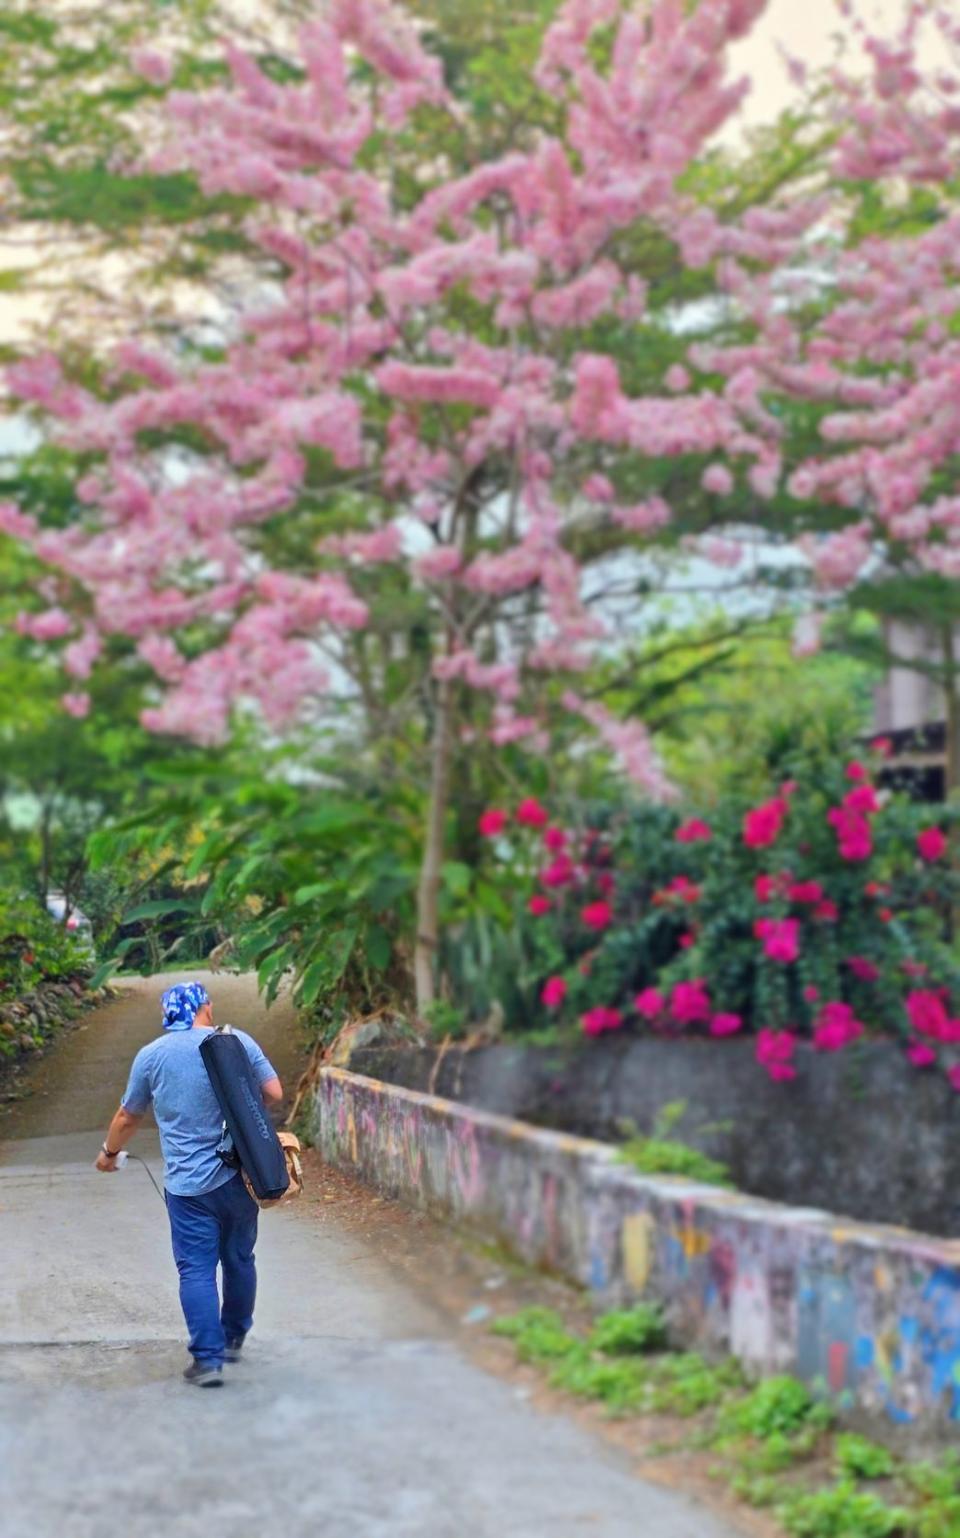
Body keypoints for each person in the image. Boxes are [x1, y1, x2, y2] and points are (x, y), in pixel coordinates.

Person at [94, 981, 283, 1388]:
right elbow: (272, 1091)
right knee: (239, 1258)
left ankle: (208, 1359)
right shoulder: (236, 1042)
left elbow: (128, 1116)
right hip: (239, 1175)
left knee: (195, 1269)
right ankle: (233, 1337)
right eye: (209, 1004)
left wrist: (109, 1154)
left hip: (188, 1188)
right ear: (204, 1008)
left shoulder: (152, 1056)